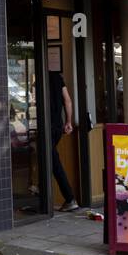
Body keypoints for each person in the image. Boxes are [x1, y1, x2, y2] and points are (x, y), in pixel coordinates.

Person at [46, 70, 78, 211]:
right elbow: (68, 100)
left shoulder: (40, 77)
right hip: (57, 126)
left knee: (53, 161)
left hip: (46, 126)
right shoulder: (57, 77)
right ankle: (41, 189)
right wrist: (68, 121)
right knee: (48, 159)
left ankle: (70, 198)